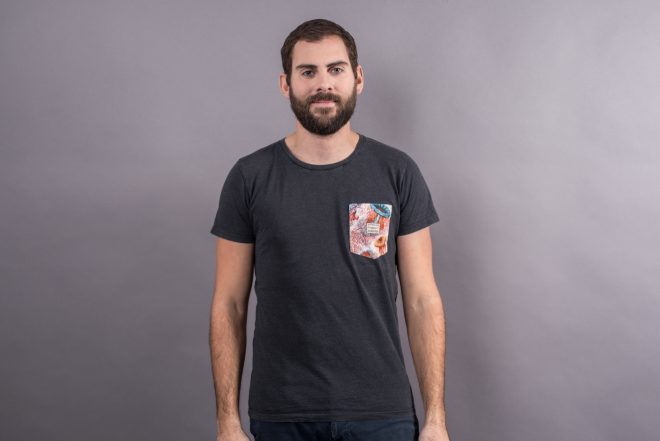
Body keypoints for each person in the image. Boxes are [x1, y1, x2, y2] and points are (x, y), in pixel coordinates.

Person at [209, 18, 450, 441]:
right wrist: (227, 422)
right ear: (285, 84)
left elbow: (421, 301)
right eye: (308, 71)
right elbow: (229, 305)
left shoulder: (397, 172)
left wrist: (435, 419)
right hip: (283, 415)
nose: (323, 83)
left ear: (357, 78)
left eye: (335, 69)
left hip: (382, 414)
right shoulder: (250, 178)